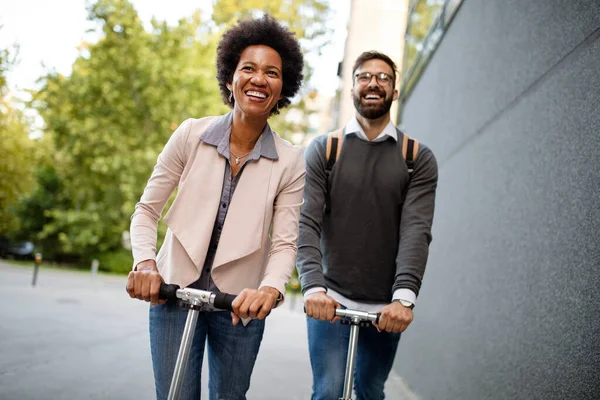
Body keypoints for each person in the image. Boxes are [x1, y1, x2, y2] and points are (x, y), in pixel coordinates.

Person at [126, 15, 305, 400]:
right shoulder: (191, 134)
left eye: (272, 73)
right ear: (230, 78)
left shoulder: (291, 161)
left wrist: (270, 290)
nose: (259, 79)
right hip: (172, 294)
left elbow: (285, 244)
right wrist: (145, 263)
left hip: (240, 306)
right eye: (248, 68)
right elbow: (146, 211)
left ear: (282, 89)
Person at [297, 50, 438, 400]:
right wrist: (313, 288)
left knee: (371, 390)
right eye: (364, 76)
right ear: (353, 88)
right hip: (330, 296)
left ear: (394, 91)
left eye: (383, 77)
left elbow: (416, 231)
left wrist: (404, 298)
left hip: (385, 305)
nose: (373, 83)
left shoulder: (415, 158)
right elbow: (306, 224)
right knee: (328, 390)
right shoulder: (325, 150)